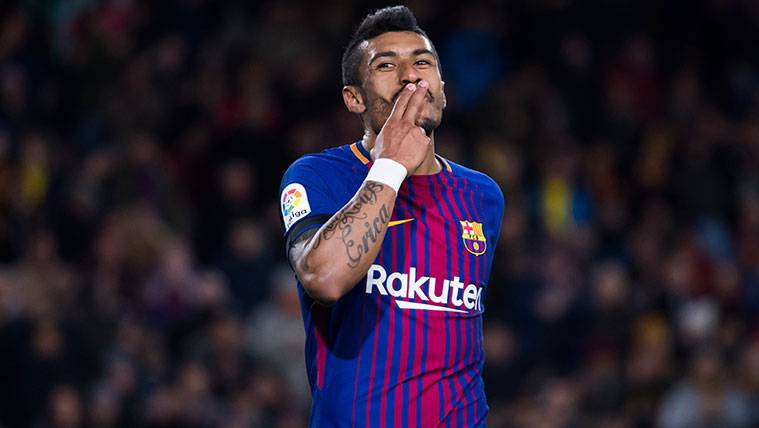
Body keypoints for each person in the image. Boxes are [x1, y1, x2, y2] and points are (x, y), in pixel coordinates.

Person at [279, 5, 504, 427]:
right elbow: (323, 278)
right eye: (386, 65)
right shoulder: (317, 176)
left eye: (423, 62)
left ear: (442, 89)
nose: (410, 75)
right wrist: (390, 167)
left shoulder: (483, 196)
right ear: (354, 98)